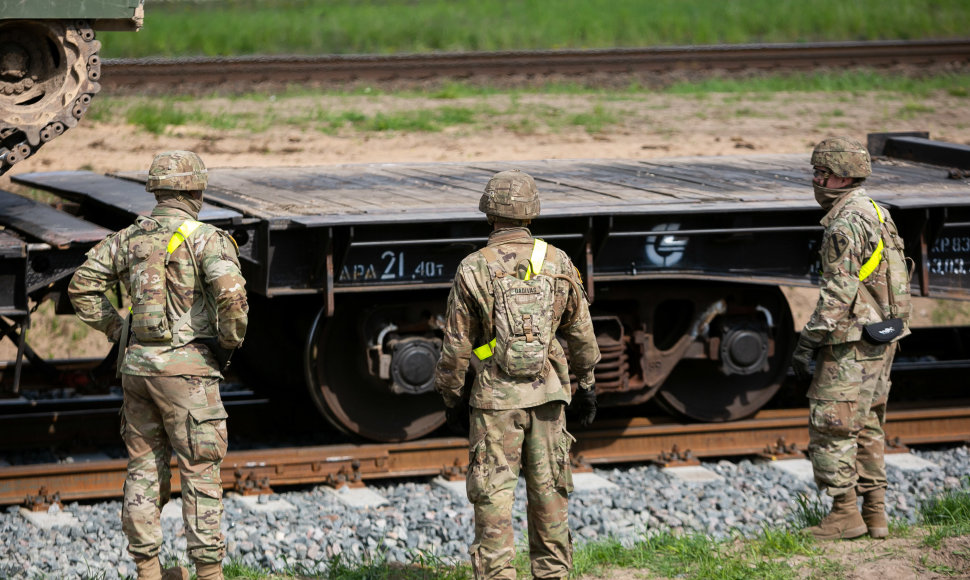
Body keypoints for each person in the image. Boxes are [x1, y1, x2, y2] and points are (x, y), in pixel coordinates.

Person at [69, 151, 248, 580]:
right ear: (195, 190)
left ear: (157, 190)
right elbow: (233, 301)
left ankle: (148, 571)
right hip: (188, 374)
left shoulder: (129, 237)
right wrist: (225, 345)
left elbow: (82, 287)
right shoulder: (207, 238)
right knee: (200, 471)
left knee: (144, 470)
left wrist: (120, 332)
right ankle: (208, 574)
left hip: (137, 370)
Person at [434, 169, 601, 579]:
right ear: (532, 214)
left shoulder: (473, 268)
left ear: (489, 215)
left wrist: (452, 399)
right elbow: (581, 334)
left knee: (492, 500)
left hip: (494, 405)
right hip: (548, 399)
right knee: (550, 498)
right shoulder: (559, 261)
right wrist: (587, 386)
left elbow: (455, 348)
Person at [791, 137, 912, 541]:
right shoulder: (876, 210)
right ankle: (876, 515)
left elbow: (838, 293)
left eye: (822, 173)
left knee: (833, 424)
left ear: (843, 177)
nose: (816, 180)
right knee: (869, 425)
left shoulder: (843, 223)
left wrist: (808, 342)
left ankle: (844, 515)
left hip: (852, 341)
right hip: (883, 335)